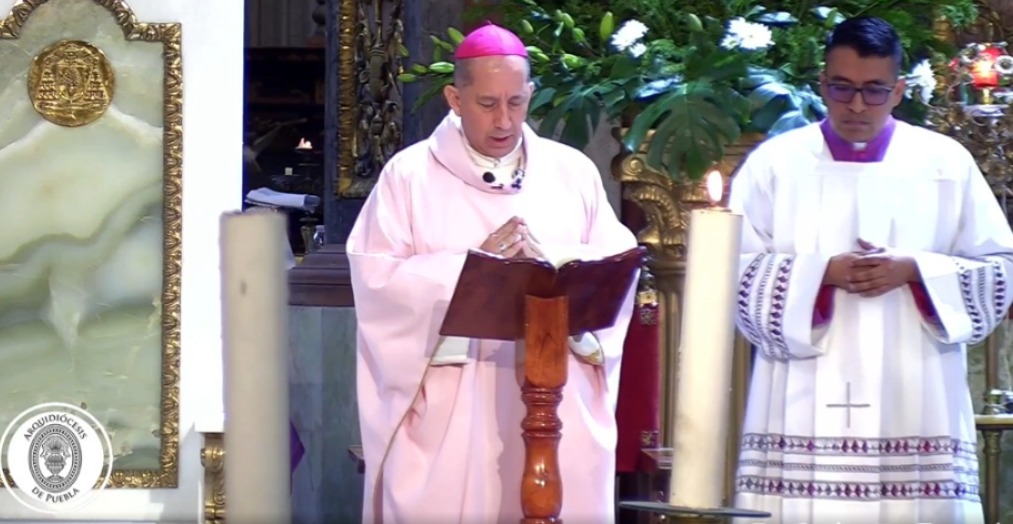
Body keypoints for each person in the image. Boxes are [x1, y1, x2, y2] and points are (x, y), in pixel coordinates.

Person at [346, 23, 638, 524]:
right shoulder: (410, 176)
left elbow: (616, 268)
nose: (504, 120)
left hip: (556, 400)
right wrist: (471, 269)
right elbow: (378, 283)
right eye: (487, 104)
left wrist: (551, 263)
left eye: (516, 102)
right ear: (454, 99)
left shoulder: (571, 172)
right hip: (455, 406)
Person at [729, 16, 1013, 524]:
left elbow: (999, 271)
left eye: (874, 91)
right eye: (842, 88)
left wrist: (915, 271)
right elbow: (732, 273)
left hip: (916, 387)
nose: (857, 105)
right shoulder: (774, 165)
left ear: (898, 90)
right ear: (822, 84)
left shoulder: (944, 163)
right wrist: (821, 275)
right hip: (803, 389)